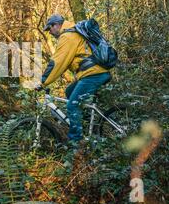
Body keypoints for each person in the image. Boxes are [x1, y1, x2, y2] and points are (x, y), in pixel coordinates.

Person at [36, 14, 112, 146]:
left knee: (72, 105)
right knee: (70, 92)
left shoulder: (67, 36)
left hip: (93, 74)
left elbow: (58, 63)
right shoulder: (73, 32)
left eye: (50, 28)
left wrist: (42, 82)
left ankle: (76, 144)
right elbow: (65, 63)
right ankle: (89, 125)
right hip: (94, 72)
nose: (50, 32)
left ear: (57, 25)